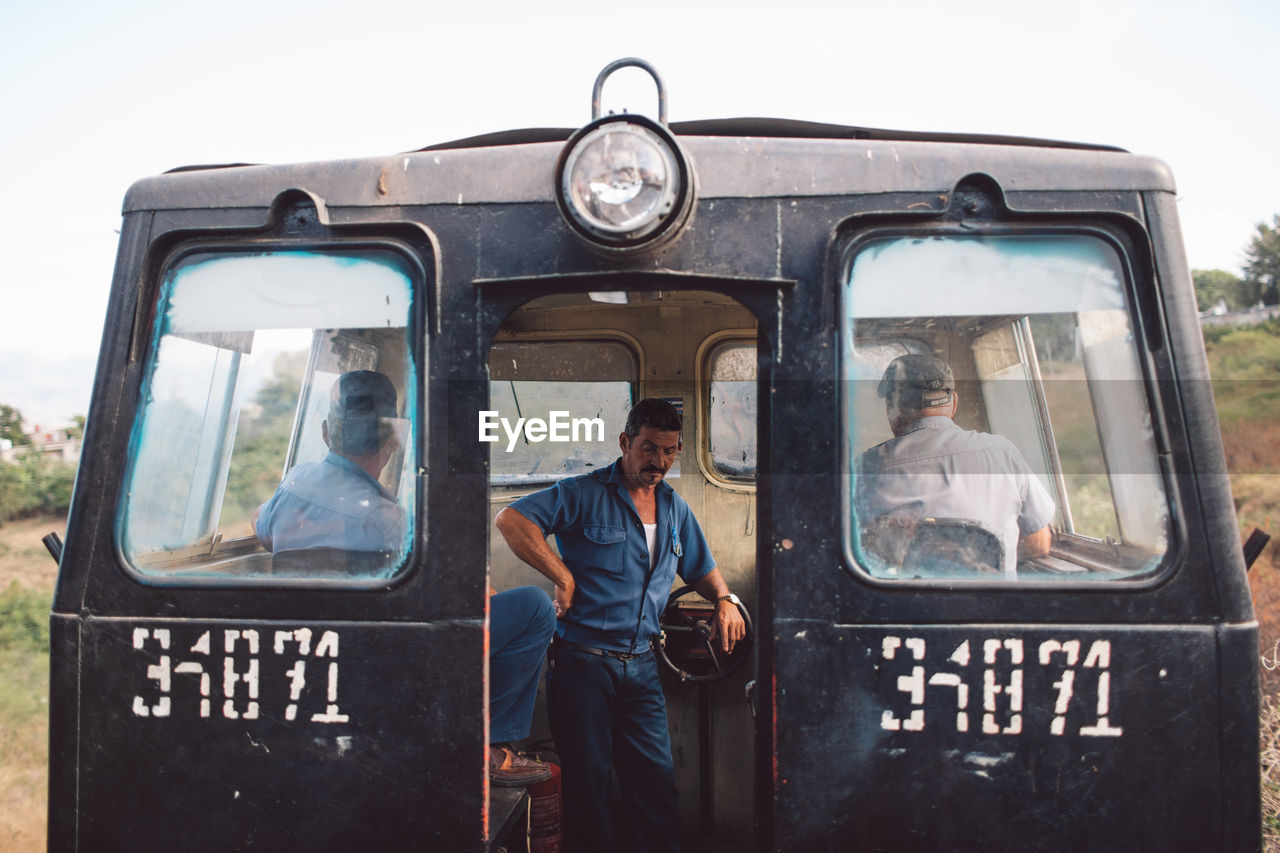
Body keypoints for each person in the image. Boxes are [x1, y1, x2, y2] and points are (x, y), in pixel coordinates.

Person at [256, 370, 556, 786]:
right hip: (387, 667)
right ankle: (489, 747)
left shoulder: (293, 483)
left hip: (313, 661)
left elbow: (265, 534)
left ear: (327, 432)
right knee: (535, 608)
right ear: (394, 437)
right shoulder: (391, 522)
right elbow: (460, 595)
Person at [494, 398, 746, 853]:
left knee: (656, 786)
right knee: (588, 791)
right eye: (649, 449)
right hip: (583, 665)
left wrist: (724, 600)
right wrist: (562, 576)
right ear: (625, 442)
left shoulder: (674, 508)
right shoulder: (582, 492)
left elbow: (700, 568)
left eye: (670, 451)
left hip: (644, 666)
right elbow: (512, 519)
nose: (660, 462)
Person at [855, 354, 1055, 579]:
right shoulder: (1004, 453)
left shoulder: (865, 469)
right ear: (954, 402)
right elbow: (1038, 543)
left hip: (908, 610)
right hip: (992, 609)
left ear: (893, 407)